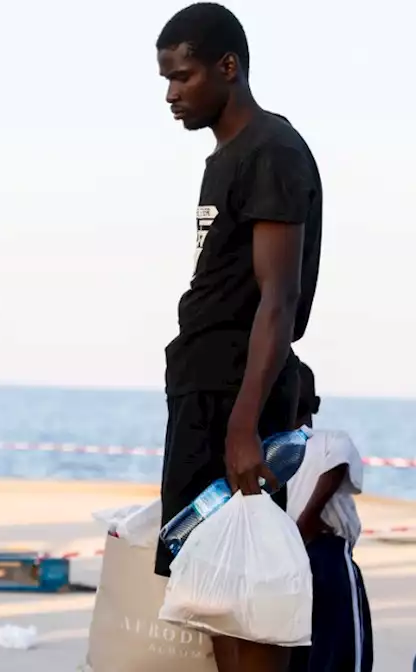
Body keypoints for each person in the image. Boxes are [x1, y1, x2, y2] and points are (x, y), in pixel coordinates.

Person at [153, 4, 323, 671]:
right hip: (203, 392)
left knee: (248, 599)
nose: (172, 93)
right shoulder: (225, 153)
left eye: (184, 76)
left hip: (235, 396)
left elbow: (278, 301)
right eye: (166, 79)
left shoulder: (271, 152)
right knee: (213, 591)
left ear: (229, 67)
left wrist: (244, 423)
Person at [286, 361, 373, 672]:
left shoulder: (268, 452)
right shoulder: (331, 439)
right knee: (341, 654)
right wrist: (308, 519)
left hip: (282, 559)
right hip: (324, 554)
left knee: (297, 655)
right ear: (317, 404)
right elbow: (336, 463)